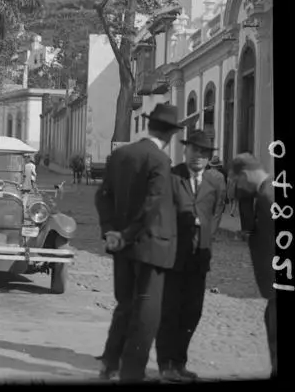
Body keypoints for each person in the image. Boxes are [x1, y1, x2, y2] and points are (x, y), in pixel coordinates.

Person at [94, 103, 182, 382]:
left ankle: (110, 363)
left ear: (148, 126)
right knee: (146, 312)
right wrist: (128, 233)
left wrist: (111, 231)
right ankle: (132, 372)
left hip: (122, 247)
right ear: (170, 135)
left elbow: (102, 196)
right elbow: (152, 204)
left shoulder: (121, 154)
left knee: (125, 305)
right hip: (151, 246)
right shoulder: (160, 160)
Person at [155, 130, 226, 382]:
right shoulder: (172, 177)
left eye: (204, 152)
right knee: (170, 311)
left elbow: (217, 210)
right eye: (194, 150)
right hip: (172, 258)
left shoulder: (216, 181)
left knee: (192, 312)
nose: (198, 156)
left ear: (209, 157)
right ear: (185, 151)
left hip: (199, 258)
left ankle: (180, 362)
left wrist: (207, 233)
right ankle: (166, 365)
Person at [229, 153, 277, 378]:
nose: (237, 187)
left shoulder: (268, 196)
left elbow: (272, 246)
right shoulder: (266, 191)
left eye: (237, 181)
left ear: (245, 175)